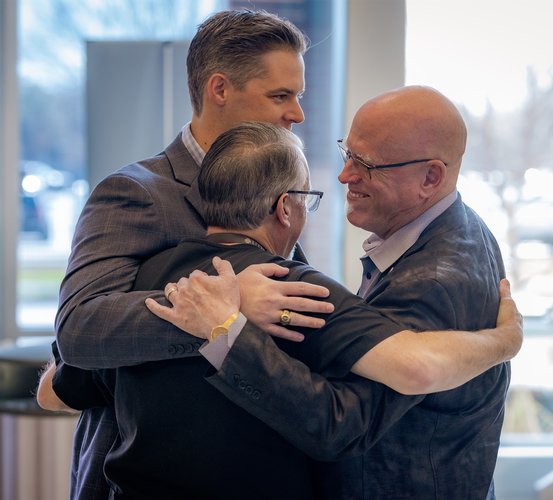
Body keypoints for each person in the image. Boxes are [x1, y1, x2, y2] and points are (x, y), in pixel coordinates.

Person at [40, 122, 522, 499]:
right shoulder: (297, 292)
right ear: (285, 207)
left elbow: (55, 392)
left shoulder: (146, 282)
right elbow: (406, 373)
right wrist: (505, 342)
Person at [51, 10, 334, 500]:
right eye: (280, 96)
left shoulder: (282, 185)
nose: (297, 114)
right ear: (219, 89)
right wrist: (221, 305)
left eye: (298, 97)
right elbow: (80, 329)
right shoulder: (135, 192)